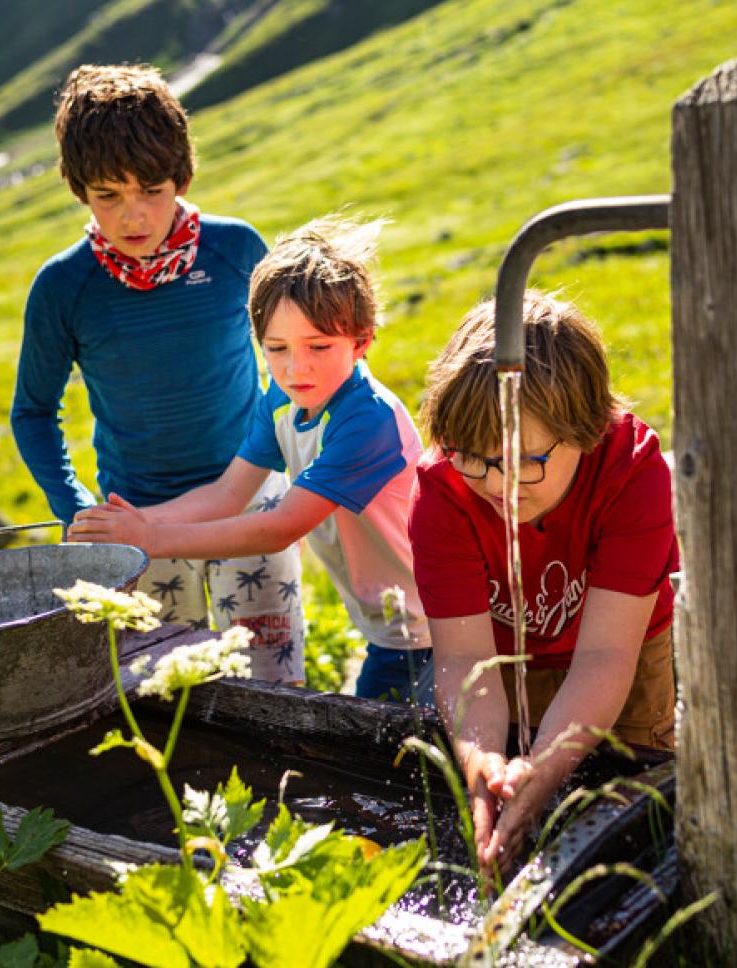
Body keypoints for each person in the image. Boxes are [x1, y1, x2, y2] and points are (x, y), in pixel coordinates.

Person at [10, 64, 305, 684]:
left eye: (151, 189)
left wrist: (259, 461)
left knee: (273, 688)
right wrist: (78, 513)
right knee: (163, 695)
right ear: (79, 190)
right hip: (133, 518)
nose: (133, 216)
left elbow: (289, 364)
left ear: (183, 176)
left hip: (248, 505)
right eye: (107, 196)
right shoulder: (64, 287)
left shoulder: (238, 249)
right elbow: (34, 413)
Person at [68, 217, 432, 703]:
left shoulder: (368, 420)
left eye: (319, 347)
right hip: (383, 622)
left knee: (402, 758)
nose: (295, 367)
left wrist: (150, 538)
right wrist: (126, 524)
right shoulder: (282, 401)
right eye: (276, 348)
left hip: (428, 623)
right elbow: (228, 493)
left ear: (361, 342)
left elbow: (279, 527)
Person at [409, 291, 678, 873]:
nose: (496, 484)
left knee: (637, 801)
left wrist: (551, 760)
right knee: (516, 800)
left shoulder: (633, 474)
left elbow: (607, 653)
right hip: (505, 664)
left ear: (584, 428)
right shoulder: (443, 491)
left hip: (625, 657)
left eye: (524, 460)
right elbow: (462, 658)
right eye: (473, 458)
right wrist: (481, 759)